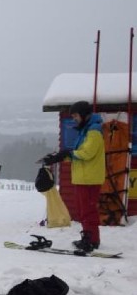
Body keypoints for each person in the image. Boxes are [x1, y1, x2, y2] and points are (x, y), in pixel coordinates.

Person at [42, 100, 105, 252]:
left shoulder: (94, 132)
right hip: (83, 177)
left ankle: (92, 240)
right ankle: (88, 237)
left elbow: (87, 153)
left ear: (84, 115)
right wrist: (59, 157)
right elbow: (77, 154)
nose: (74, 119)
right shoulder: (86, 131)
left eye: (76, 115)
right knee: (83, 210)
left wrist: (68, 153)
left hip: (89, 179)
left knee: (88, 210)